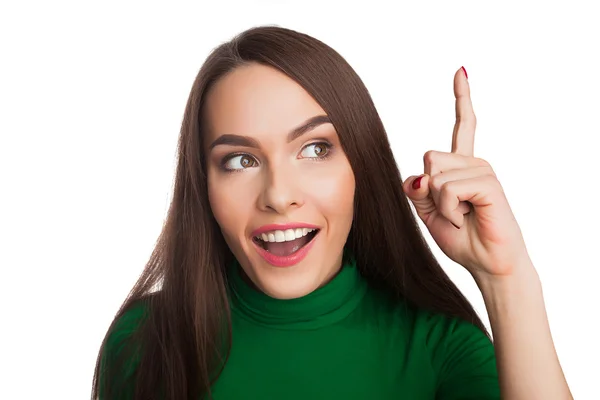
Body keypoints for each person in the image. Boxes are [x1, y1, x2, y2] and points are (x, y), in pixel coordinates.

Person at [91, 25, 572, 399]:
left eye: (315, 149)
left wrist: (506, 278)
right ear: (205, 189)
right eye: (240, 160)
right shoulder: (145, 340)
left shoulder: (438, 348)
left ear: (360, 167)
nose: (279, 196)